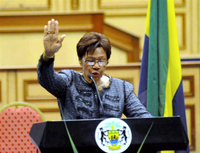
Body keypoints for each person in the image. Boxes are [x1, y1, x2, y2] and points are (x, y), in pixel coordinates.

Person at [37, 18, 152, 120]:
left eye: (101, 61)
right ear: (80, 60)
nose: (96, 66)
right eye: (90, 60)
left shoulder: (121, 88)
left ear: (107, 62)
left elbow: (143, 119)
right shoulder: (69, 81)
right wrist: (48, 55)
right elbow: (48, 80)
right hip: (75, 143)